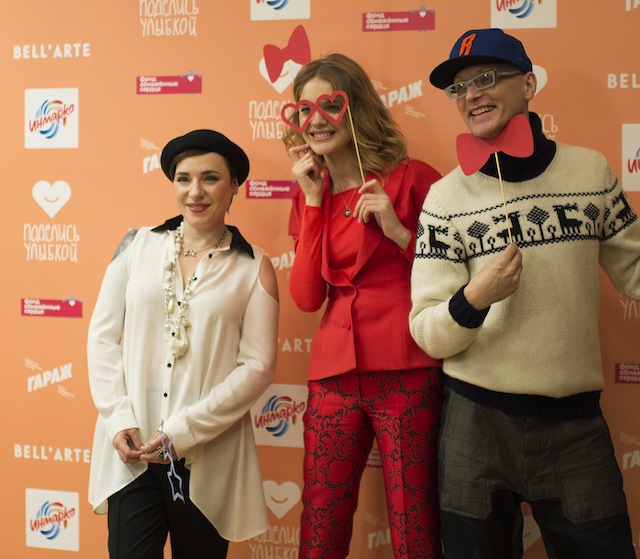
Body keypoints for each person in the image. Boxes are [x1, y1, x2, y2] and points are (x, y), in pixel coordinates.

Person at [409, 28, 640, 559]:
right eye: (459, 88)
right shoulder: (444, 199)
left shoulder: (591, 172)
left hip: (575, 423)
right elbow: (427, 331)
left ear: (529, 85)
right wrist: (474, 298)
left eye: (487, 78)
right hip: (474, 423)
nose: (471, 95)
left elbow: (634, 272)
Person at [87, 129, 279, 558]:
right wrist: (118, 417)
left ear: (234, 186)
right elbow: (102, 336)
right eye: (183, 179)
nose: (195, 192)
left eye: (210, 178)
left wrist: (183, 430)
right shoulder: (136, 245)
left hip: (207, 457)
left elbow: (258, 367)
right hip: (132, 453)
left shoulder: (254, 267)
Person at [282, 53, 444, 559]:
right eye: (303, 109)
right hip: (334, 375)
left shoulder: (413, 178)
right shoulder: (309, 192)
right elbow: (307, 298)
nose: (316, 119)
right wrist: (313, 203)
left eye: (329, 104)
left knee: (414, 523)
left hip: (407, 369)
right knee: (321, 521)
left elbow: (453, 275)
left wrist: (398, 232)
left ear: (357, 107)